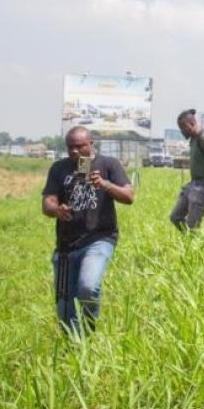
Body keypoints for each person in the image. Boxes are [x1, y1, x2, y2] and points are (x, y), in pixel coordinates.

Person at [41, 126, 134, 334]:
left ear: (91, 144)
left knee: (88, 287)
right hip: (66, 244)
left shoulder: (109, 164)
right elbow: (47, 202)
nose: (75, 152)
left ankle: (90, 331)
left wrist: (104, 184)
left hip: (99, 238)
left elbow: (129, 197)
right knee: (64, 308)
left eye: (80, 146)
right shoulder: (59, 168)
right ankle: (74, 349)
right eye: (70, 147)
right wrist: (57, 210)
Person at [169, 109, 204, 230]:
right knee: (175, 217)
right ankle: (188, 240)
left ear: (192, 124)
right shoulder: (193, 140)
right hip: (194, 184)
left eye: (183, 127)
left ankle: (193, 244)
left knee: (192, 226)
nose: (182, 131)